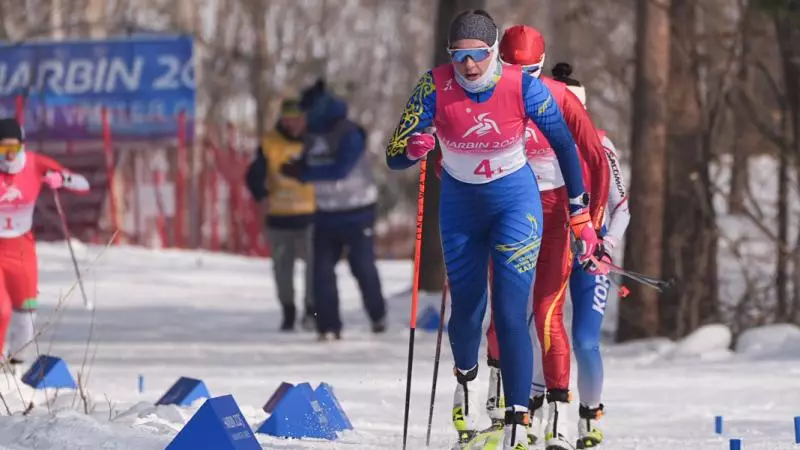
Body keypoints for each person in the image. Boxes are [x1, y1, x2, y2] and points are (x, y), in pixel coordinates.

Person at [385, 10, 599, 450]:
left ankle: (518, 419)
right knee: (466, 310)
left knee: (509, 310)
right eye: (459, 55)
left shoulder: (521, 85)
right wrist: (412, 149)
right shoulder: (433, 85)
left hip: (515, 203)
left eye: (478, 55)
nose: (469, 65)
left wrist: (578, 209)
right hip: (462, 207)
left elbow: (564, 143)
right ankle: (466, 382)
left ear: (493, 50)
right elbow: (393, 153)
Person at [481, 25, 611, 449]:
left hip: (555, 214)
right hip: (507, 211)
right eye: (511, 71)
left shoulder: (561, 96)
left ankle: (558, 414)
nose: (521, 82)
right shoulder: (483, 92)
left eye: (530, 73)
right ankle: (502, 407)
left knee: (547, 313)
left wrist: (589, 220)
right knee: (503, 313)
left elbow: (597, 158)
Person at [552, 61, 631, 449]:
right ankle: (541, 410)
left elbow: (623, 207)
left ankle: (590, 416)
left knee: (585, 339)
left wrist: (606, 245)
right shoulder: (537, 139)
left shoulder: (601, 144)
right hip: (549, 248)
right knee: (543, 331)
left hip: (590, 253)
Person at [280, 80, 387, 341]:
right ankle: (328, 326)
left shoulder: (349, 132)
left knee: (361, 266)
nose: (301, 119)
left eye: (304, 113)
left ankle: (378, 315)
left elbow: (341, 169)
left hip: (357, 209)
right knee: (321, 271)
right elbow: (310, 161)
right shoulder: (310, 135)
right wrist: (296, 167)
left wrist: (305, 174)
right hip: (326, 211)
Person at [0, 118, 89, 368]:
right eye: (1, 149)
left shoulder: (35, 164)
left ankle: (15, 367)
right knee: (1, 309)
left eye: (13, 148)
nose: (8, 155)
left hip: (21, 248)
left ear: (22, 146)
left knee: (26, 311)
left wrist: (62, 180)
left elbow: (83, 184)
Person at [245, 98, 316, 332]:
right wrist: (261, 195)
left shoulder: (315, 140)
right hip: (280, 216)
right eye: (289, 119)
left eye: (298, 119)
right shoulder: (270, 143)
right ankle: (288, 312)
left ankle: (311, 312)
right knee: (282, 270)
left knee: (315, 268)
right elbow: (254, 174)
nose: (293, 124)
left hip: (311, 216)